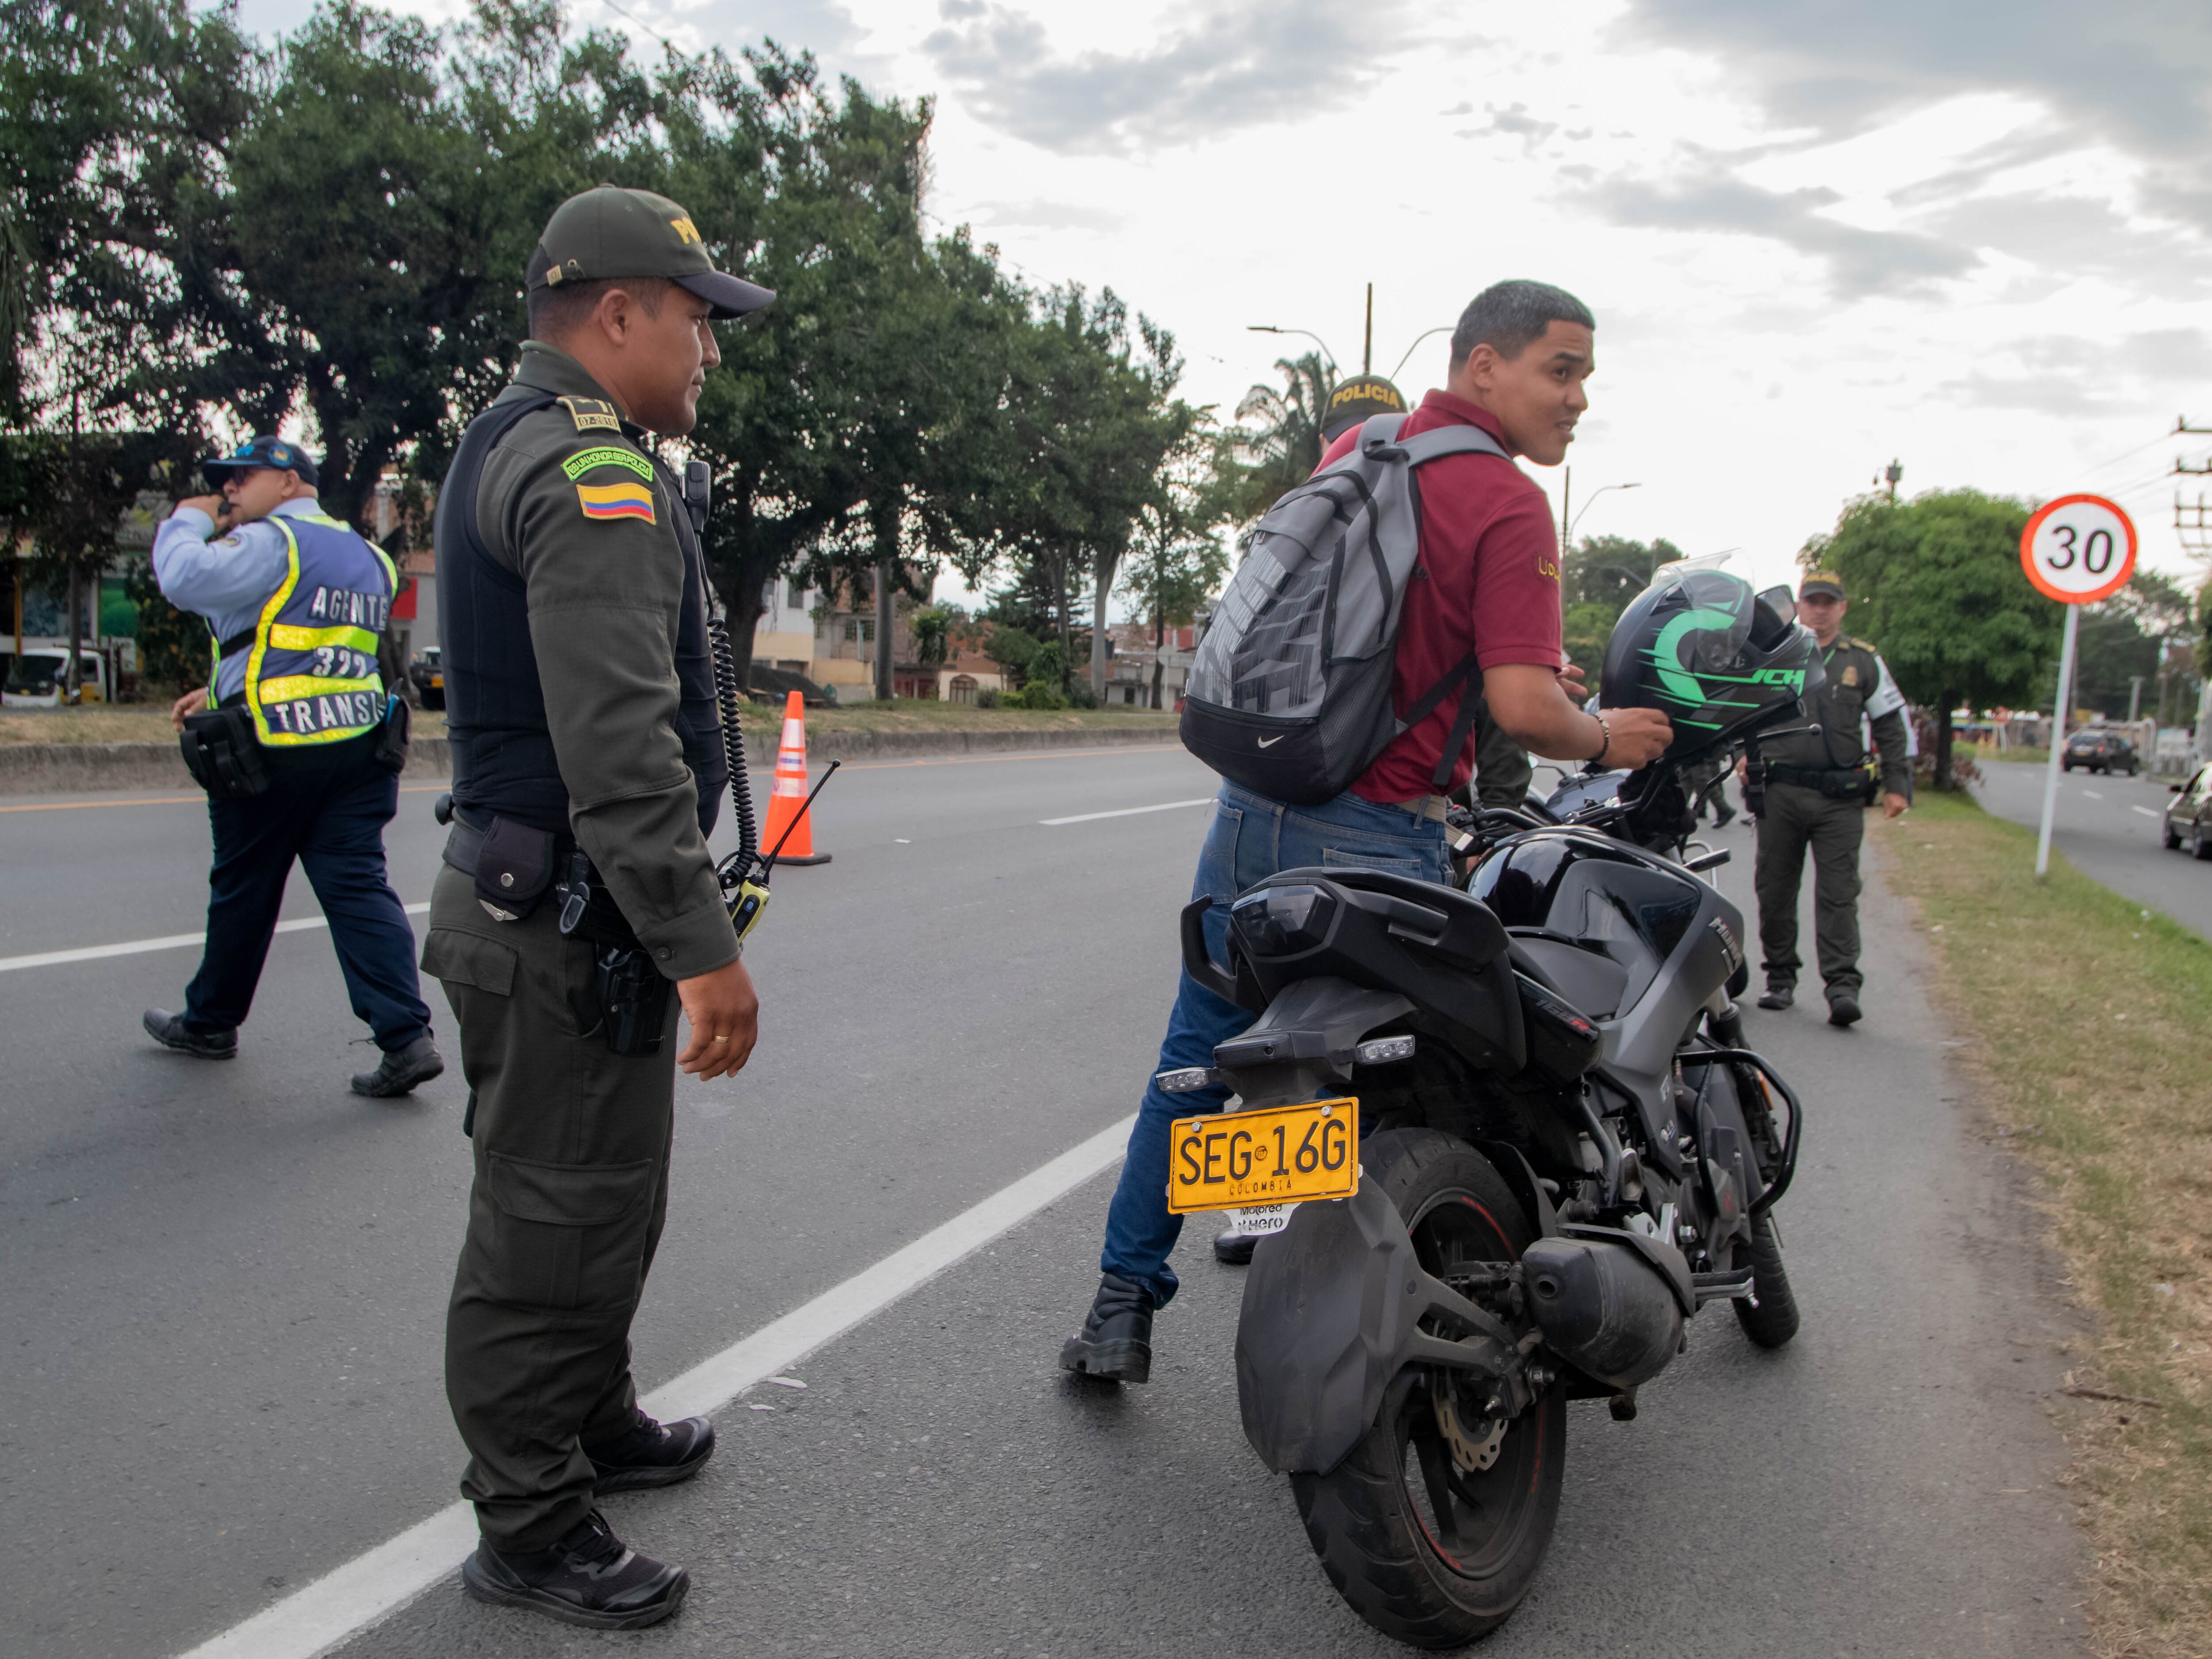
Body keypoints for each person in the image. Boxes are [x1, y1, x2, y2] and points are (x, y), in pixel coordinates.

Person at [1060, 280, 1674, 1381]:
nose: (1578, 398)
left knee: (1196, 1057)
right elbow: (1529, 708)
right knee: (1408, 1080)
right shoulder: (1505, 500)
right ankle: (1379, 1336)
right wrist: (1607, 739)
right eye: (1561, 368)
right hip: (1381, 833)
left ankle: (1118, 1307)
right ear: (1482, 365)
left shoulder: (1364, 458)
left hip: (1254, 813)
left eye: (1584, 375)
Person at [424, 185, 772, 1631]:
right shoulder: (593, 479)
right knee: (550, 1218)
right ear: (617, 313)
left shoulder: (534, 441)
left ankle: (591, 1417)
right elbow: (620, 755)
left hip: (562, 911)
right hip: (560, 917)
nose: (708, 352)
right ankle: (528, 1519)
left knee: (601, 1197)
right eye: (695, 321)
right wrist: (708, 960)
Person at [143, 437, 443, 1097]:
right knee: (359, 886)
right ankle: (406, 1037)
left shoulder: (271, 542)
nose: (228, 489)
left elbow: (184, 579)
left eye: (240, 477)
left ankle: (211, 1023)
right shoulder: (369, 557)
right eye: (221, 483)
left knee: (245, 888)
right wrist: (221, 688)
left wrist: (189, 517)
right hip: (362, 748)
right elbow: (307, 647)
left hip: (276, 750)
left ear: (287, 480)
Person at [1743, 573, 1909, 1026]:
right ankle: (1779, 980)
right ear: (1798, 605)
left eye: (1828, 602)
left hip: (1839, 797)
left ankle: (1841, 988)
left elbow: (1890, 725)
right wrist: (1742, 757)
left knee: (1838, 895)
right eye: (1811, 601)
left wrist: (1897, 785)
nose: (1819, 610)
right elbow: (1740, 711)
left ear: (1842, 608)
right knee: (1774, 889)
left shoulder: (1863, 661)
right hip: (1779, 792)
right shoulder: (1772, 654)